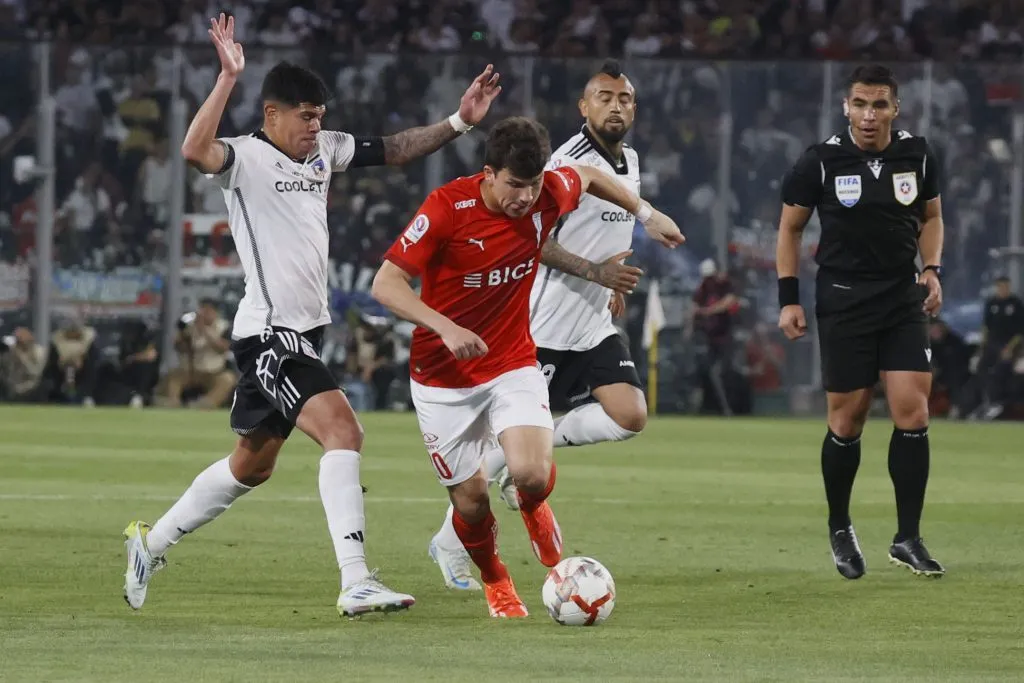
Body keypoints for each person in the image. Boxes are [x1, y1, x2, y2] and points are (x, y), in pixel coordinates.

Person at [122, 13, 501, 618]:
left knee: (252, 465)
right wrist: (227, 78)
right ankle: (355, 579)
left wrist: (460, 122)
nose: (315, 126)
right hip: (271, 333)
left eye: (319, 116)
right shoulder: (243, 158)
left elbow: (396, 150)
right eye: (305, 116)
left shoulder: (325, 151)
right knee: (344, 431)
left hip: (305, 332)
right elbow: (194, 149)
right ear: (271, 114)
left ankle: (150, 541)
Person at [371, 116, 684, 617]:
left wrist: (647, 214)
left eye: (534, 184)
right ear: (489, 173)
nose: (524, 197)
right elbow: (385, 285)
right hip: (442, 376)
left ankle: (534, 505)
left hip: (512, 360)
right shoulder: (448, 208)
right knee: (470, 502)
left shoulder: (547, 193)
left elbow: (587, 175)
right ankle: (495, 576)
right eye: (514, 185)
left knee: (531, 473)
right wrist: (445, 328)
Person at [425, 60, 654, 590]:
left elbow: (612, 227)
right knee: (505, 451)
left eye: (624, 98)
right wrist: (596, 270)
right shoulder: (562, 164)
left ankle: (527, 463)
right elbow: (535, 239)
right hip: (545, 325)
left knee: (630, 414)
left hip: (593, 322)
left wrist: (611, 280)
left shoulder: (631, 162)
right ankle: (449, 538)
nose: (615, 106)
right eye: (604, 97)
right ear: (583, 106)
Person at [777, 64, 946, 579]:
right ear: (845, 107)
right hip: (845, 299)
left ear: (896, 109)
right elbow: (789, 230)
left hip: (901, 295)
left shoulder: (916, 154)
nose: (869, 116)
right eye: (860, 105)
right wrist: (789, 299)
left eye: (879, 105)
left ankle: (907, 537)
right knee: (847, 421)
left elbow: (932, 217)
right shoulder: (820, 161)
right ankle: (840, 527)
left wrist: (933, 269)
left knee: (912, 413)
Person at [163, 299, 237, 409]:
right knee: (174, 377)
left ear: (215, 312)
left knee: (228, 379)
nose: (203, 314)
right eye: (202, 310)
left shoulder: (224, 327)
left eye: (208, 311)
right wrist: (182, 334)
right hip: (192, 371)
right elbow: (179, 348)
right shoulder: (191, 327)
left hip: (214, 372)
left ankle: (206, 404)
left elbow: (223, 348)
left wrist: (205, 330)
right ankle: (173, 403)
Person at [972, 275, 1024, 419]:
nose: (1003, 290)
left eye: (1005, 287)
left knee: (1001, 370)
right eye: (1000, 287)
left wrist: (1010, 348)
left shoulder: (1016, 303)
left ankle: (998, 403)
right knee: (980, 369)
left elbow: (1020, 331)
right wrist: (982, 346)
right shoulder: (991, 303)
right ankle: (986, 401)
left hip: (1009, 345)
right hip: (992, 344)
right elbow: (985, 326)